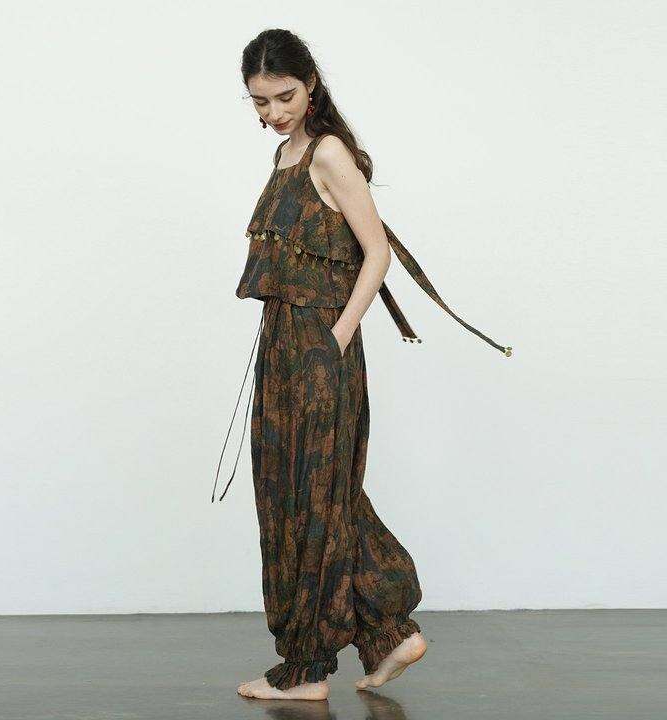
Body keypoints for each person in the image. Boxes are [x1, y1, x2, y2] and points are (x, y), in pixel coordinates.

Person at [212, 29, 512, 702]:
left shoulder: (328, 153)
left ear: (311, 84)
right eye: (259, 101)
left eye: (284, 96)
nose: (273, 112)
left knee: (315, 496)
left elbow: (376, 252)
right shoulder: (286, 155)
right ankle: (385, 636)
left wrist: (338, 335)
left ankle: (310, 669)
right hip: (282, 343)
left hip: (319, 345)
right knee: (300, 494)